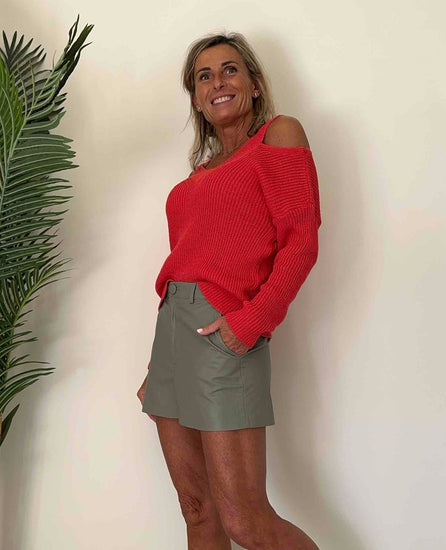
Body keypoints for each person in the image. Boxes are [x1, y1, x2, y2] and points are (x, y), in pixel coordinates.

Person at [137, 31, 322, 550]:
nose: (217, 82)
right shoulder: (192, 180)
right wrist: (160, 362)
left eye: (230, 70)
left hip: (223, 331)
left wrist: (250, 323)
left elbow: (301, 241)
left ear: (255, 84)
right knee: (198, 512)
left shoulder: (278, 136)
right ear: (196, 98)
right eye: (204, 76)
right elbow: (188, 266)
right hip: (172, 336)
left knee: (246, 522)